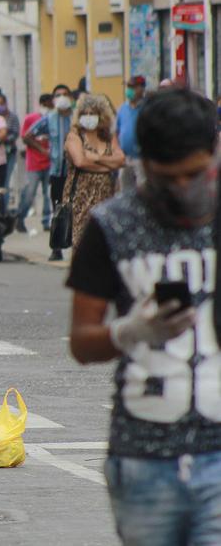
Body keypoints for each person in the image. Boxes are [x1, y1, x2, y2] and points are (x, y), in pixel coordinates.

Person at [67, 88, 218, 544]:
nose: (184, 189)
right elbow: (81, 341)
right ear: (144, 165)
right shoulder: (111, 226)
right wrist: (130, 331)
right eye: (169, 178)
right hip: (144, 456)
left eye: (195, 174)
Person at [63, 94, 125, 250]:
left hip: (106, 196)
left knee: (104, 242)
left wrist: (96, 157)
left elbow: (121, 160)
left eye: (93, 114)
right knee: (82, 242)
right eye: (86, 114)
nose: (89, 117)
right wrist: (107, 166)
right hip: (81, 198)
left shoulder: (108, 137)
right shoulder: (74, 137)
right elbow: (80, 161)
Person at [25, 84, 75, 261]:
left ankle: (78, 249)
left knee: (78, 209)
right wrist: (45, 151)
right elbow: (28, 135)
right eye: (58, 95)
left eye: (64, 94)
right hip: (57, 171)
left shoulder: (78, 117)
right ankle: (56, 248)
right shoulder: (49, 119)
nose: (61, 97)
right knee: (58, 210)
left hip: (77, 171)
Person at [15, 94, 53, 233]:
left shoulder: (54, 119)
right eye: (49, 104)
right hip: (34, 163)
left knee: (48, 194)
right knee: (30, 192)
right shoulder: (31, 119)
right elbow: (25, 138)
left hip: (50, 163)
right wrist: (42, 150)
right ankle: (20, 217)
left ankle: (46, 221)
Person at [116, 75, 146, 191]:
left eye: (132, 87)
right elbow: (115, 132)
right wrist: (118, 151)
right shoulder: (122, 109)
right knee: (125, 189)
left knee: (143, 188)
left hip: (142, 158)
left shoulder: (147, 107)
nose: (129, 90)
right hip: (125, 158)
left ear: (141, 89)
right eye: (128, 86)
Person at [0, 93, 21, 198]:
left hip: (9, 153)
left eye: (1, 103)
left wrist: (2, 139)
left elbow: (15, 133)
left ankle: (3, 207)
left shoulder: (12, 117)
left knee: (5, 181)